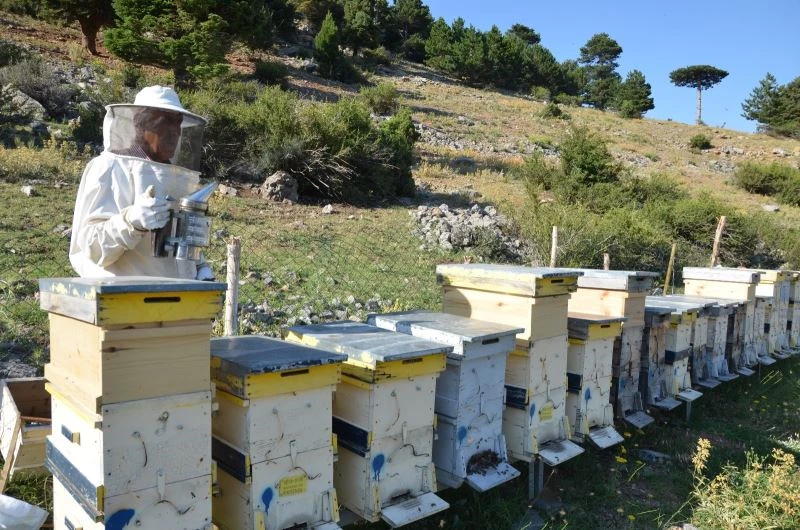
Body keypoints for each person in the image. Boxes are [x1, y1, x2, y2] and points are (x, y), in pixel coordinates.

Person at [69, 85, 215, 280]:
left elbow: (179, 238)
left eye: (177, 123)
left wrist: (200, 266)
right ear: (141, 123)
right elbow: (92, 248)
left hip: (177, 292)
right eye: (165, 121)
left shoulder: (173, 174)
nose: (175, 132)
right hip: (126, 293)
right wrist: (131, 221)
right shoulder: (110, 167)